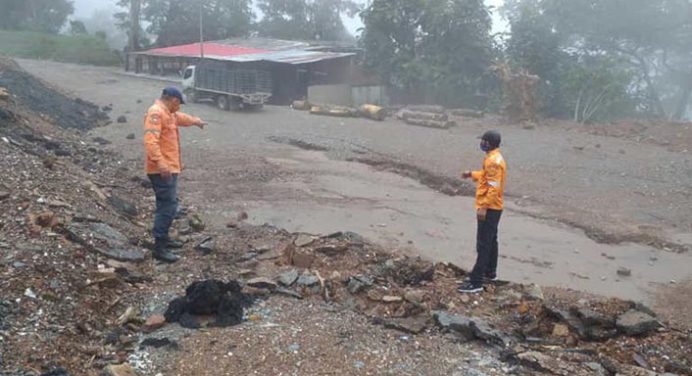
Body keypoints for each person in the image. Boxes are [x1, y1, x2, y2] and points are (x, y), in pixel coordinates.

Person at [144, 87, 206, 263]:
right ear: (172, 100)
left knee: (168, 205)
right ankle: (159, 247)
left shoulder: (168, 113)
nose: (178, 107)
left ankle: (164, 240)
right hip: (161, 170)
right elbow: (150, 142)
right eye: (178, 104)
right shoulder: (156, 113)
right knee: (167, 207)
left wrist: (196, 121)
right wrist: (162, 164)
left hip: (169, 168)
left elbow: (180, 118)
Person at [458, 130, 507, 293]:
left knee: (483, 245)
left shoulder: (493, 161)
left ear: (488, 143)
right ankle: (490, 273)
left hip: (490, 207)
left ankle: (476, 282)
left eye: (484, 141)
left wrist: (484, 207)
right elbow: (487, 177)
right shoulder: (494, 157)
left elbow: (494, 187)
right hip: (495, 207)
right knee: (492, 242)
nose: (481, 143)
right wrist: (471, 174)